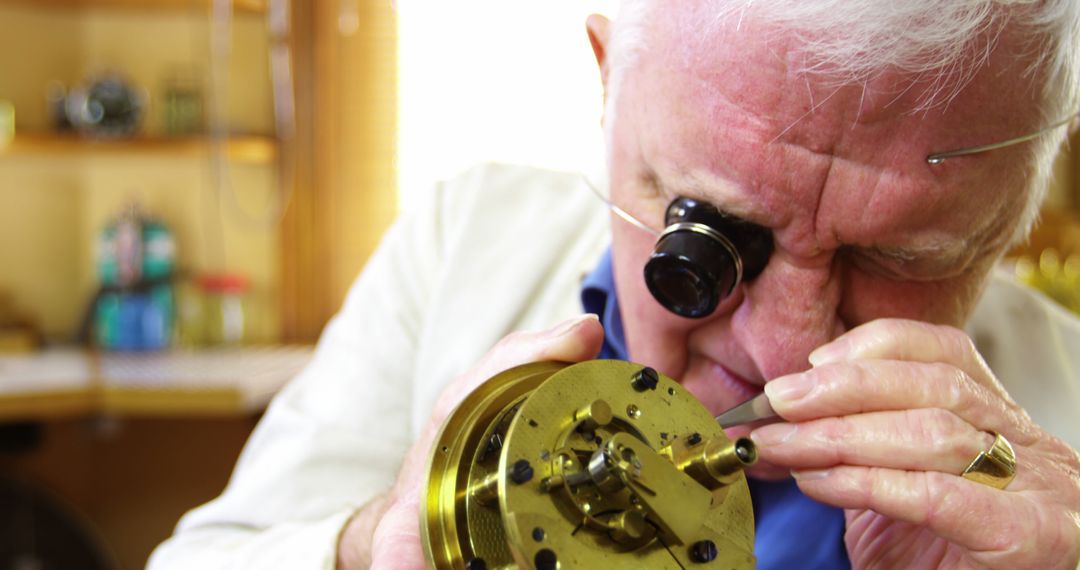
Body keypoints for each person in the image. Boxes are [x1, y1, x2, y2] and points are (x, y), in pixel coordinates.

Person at [149, 1, 1080, 568]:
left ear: (1014, 212)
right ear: (605, 89)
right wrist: (383, 546)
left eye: (901, 260)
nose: (786, 353)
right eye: (709, 234)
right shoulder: (463, 242)